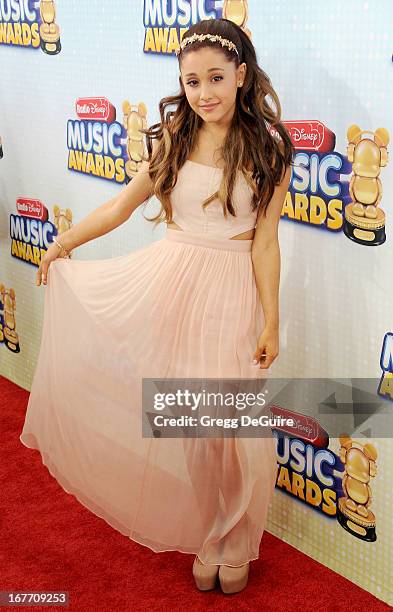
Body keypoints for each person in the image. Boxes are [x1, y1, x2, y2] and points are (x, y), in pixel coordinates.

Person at [20, 18, 294, 595]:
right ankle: (210, 534)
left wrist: (271, 317)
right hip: (171, 286)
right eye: (191, 82)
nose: (205, 93)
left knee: (233, 430)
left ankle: (239, 538)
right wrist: (64, 243)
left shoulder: (270, 152)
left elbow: (266, 243)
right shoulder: (172, 139)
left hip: (231, 294)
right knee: (192, 429)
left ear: (242, 76)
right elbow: (121, 206)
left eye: (216, 78)